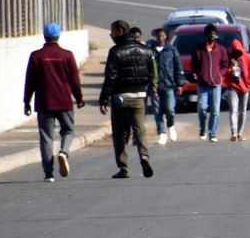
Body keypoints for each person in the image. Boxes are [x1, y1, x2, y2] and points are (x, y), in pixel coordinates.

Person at [23, 22, 85, 182]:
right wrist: (79, 98)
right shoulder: (67, 55)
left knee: (46, 137)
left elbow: (29, 81)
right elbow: (75, 81)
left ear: (44, 35)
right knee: (68, 131)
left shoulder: (36, 56)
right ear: (58, 36)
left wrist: (27, 102)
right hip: (64, 101)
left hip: (44, 102)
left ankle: (48, 174)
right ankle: (64, 152)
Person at [99, 19, 157, 179]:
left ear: (120, 31)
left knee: (118, 133)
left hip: (120, 98)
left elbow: (110, 77)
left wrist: (104, 99)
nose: (111, 34)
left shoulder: (115, 51)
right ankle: (144, 157)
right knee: (140, 130)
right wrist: (149, 87)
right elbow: (152, 72)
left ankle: (123, 168)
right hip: (139, 96)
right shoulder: (146, 50)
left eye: (112, 31)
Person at [190, 23, 229, 142]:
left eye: (214, 33)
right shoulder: (199, 49)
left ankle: (212, 133)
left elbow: (225, 64)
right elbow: (194, 65)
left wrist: (220, 74)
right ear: (206, 34)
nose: (212, 35)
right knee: (202, 108)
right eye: (210, 33)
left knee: (215, 110)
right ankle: (203, 128)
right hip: (203, 84)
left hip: (216, 84)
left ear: (216, 35)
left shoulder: (221, 49)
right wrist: (196, 73)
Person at [149, 27, 185, 145]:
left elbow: (178, 67)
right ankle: (161, 133)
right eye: (158, 36)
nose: (160, 38)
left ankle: (171, 125)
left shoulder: (171, 50)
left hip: (169, 85)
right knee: (157, 110)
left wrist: (179, 84)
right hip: (155, 86)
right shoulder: (151, 50)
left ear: (166, 37)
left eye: (162, 36)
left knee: (170, 109)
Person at [222, 38, 250, 140]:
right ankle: (234, 133)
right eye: (235, 52)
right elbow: (224, 73)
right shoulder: (229, 60)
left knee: (242, 111)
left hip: (245, 88)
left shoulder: (247, 58)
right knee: (233, 110)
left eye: (238, 52)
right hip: (233, 88)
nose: (237, 54)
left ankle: (240, 133)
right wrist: (230, 68)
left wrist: (249, 84)